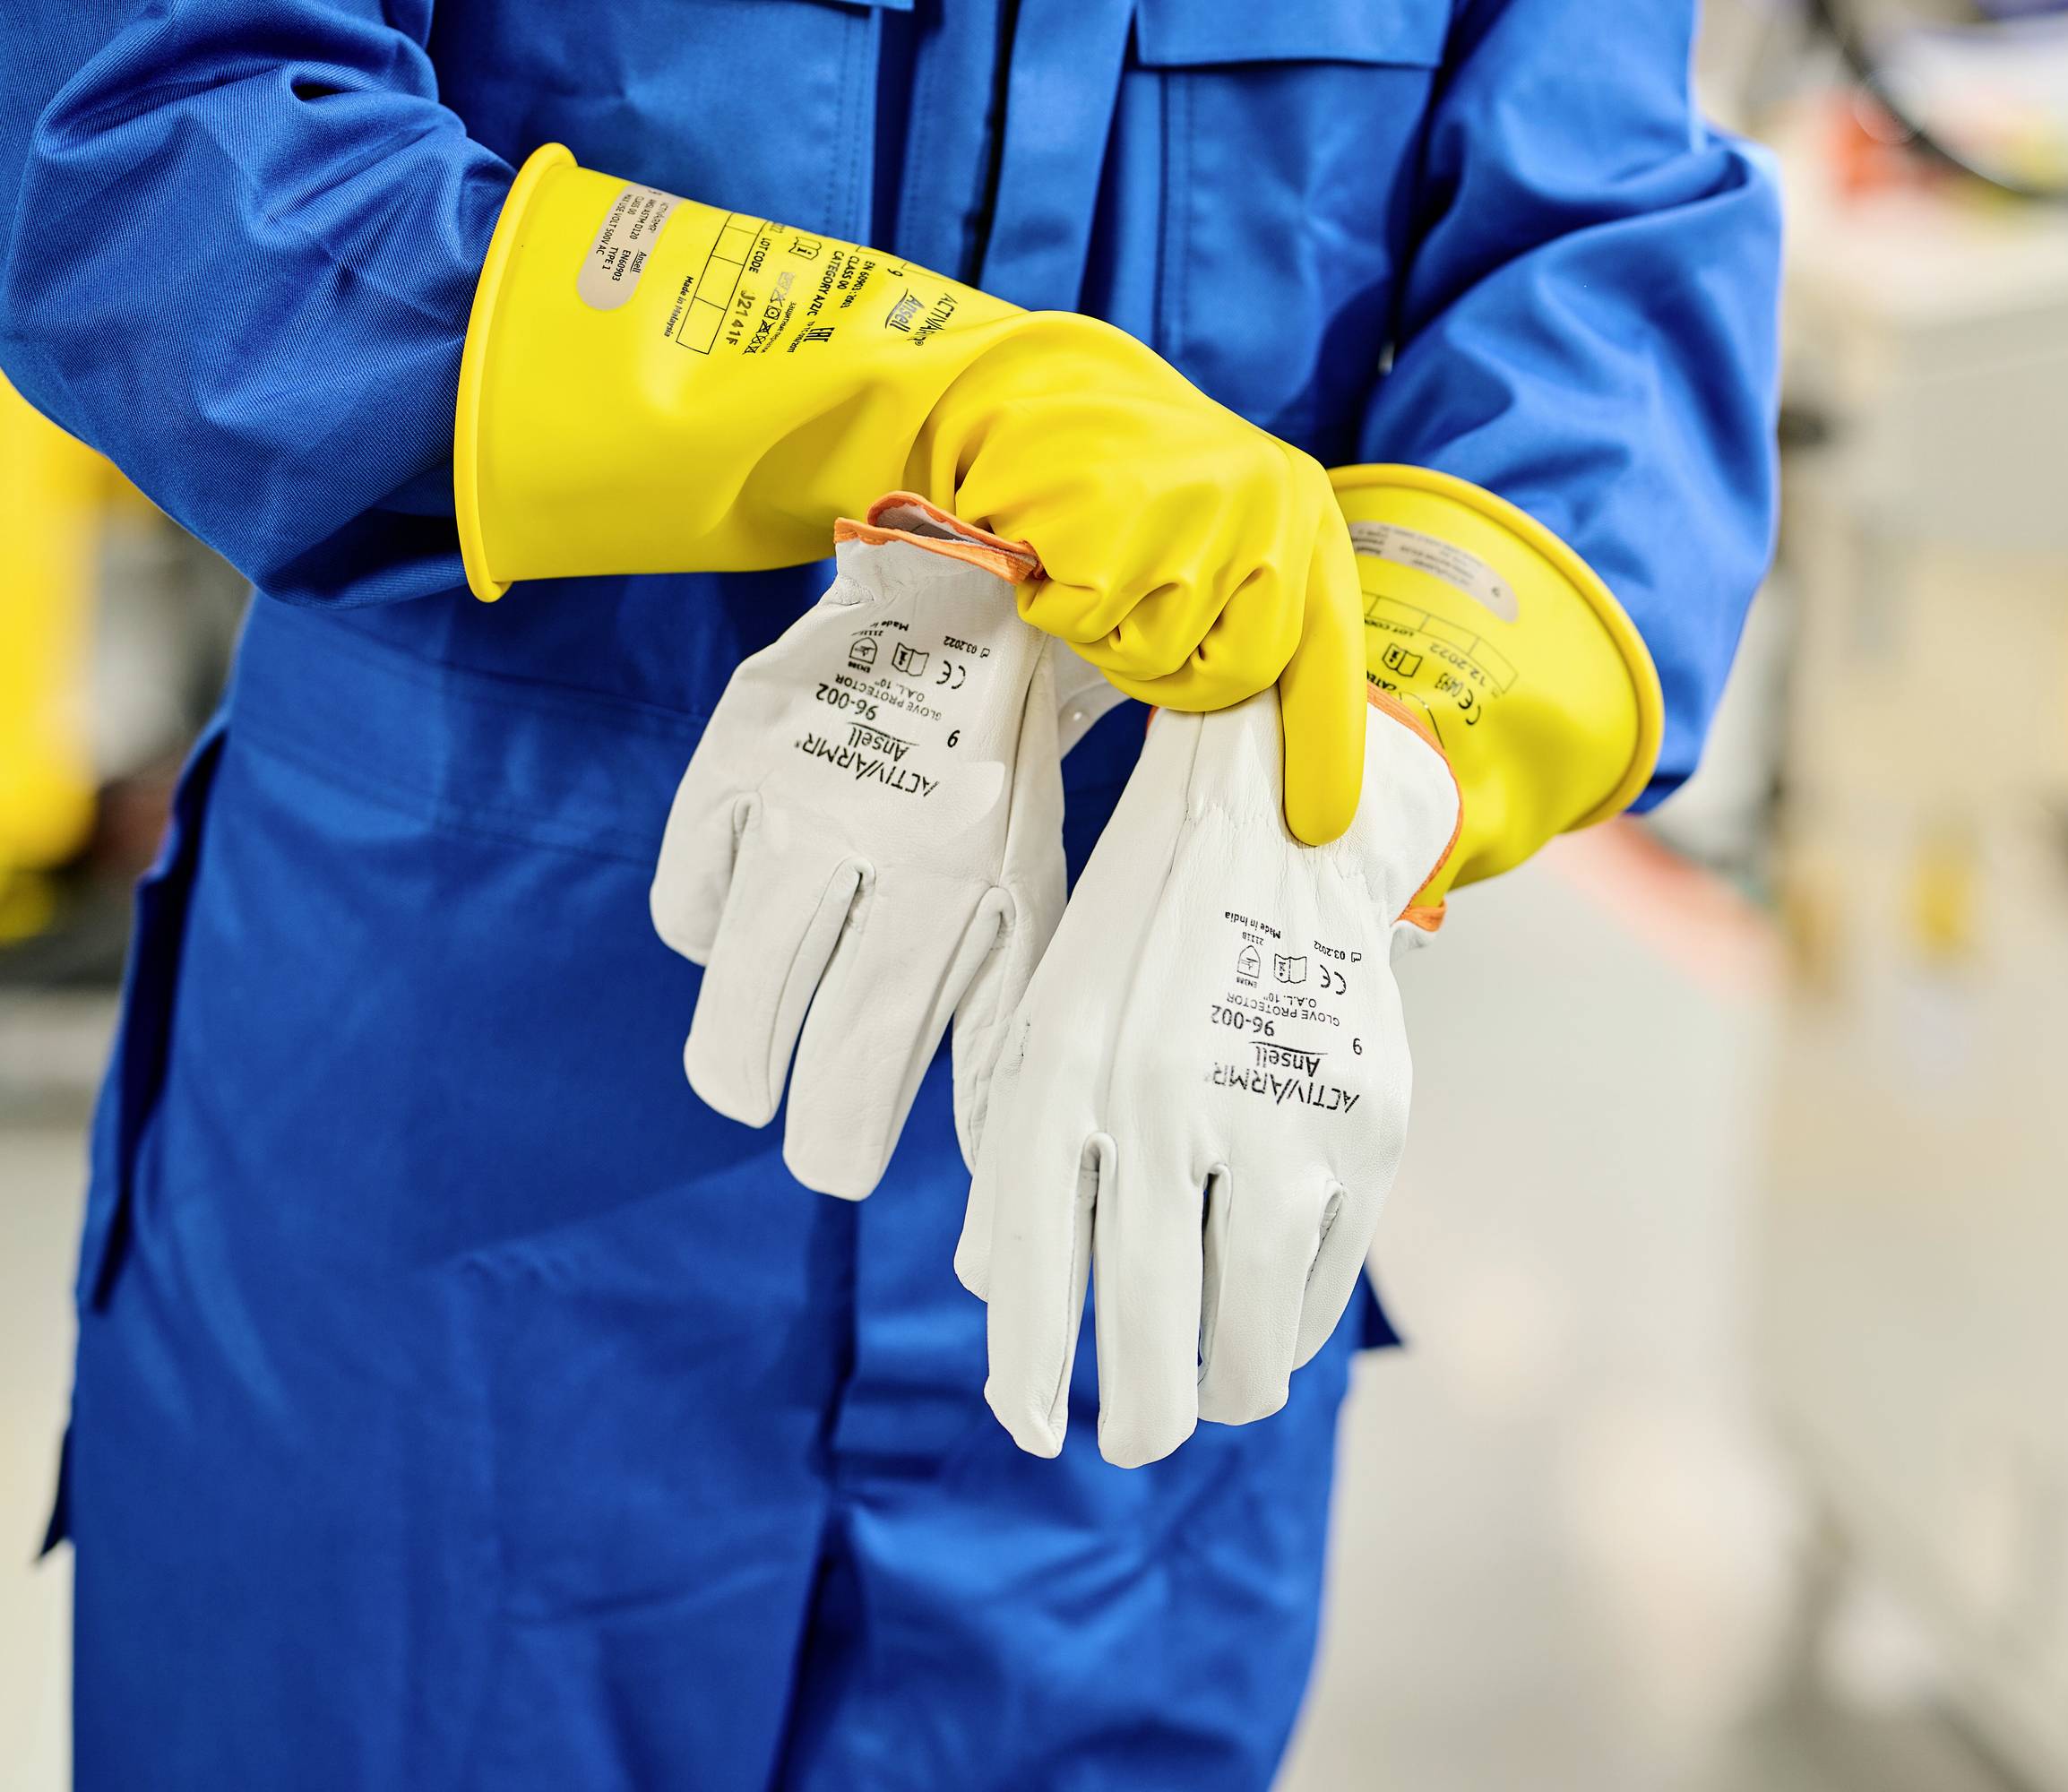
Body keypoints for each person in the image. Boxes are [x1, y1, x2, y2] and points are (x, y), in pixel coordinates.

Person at [0, 1, 1781, 1786]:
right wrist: (882, 393)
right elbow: (157, 156)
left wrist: (1385, 727)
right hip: (453, 1133)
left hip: (1133, 1137)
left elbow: (1604, 249)